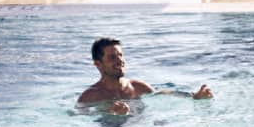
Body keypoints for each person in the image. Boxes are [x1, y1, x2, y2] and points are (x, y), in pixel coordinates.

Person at [76, 37, 213, 113]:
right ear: (98, 64)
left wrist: (194, 96)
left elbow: (161, 94)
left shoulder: (137, 87)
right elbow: (77, 116)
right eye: (112, 57)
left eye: (120, 55)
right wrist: (109, 114)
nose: (120, 61)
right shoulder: (90, 96)